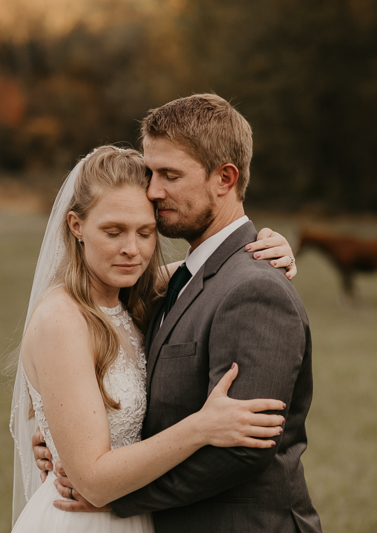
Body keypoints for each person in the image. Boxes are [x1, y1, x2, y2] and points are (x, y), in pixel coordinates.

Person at [38, 94, 322, 532]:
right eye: (150, 172)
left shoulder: (255, 289)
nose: (152, 190)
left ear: (225, 178)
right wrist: (61, 442)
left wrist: (113, 496)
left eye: (169, 175)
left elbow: (244, 448)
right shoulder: (167, 284)